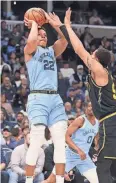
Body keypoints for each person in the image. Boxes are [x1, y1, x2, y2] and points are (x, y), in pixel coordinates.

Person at [63, 8, 116, 183]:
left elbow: (79, 49)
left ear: (96, 58)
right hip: (115, 121)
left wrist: (67, 26)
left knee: (102, 166)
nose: (90, 55)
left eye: (92, 54)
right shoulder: (100, 73)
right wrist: (60, 26)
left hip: (109, 121)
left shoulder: (100, 70)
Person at [24, 11, 68, 183]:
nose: (42, 37)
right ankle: (28, 181)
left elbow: (64, 40)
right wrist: (35, 24)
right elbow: (31, 41)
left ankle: (59, 181)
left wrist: (55, 25)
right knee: (37, 138)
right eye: (39, 35)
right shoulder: (29, 51)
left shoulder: (50, 51)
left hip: (54, 99)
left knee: (59, 140)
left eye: (44, 35)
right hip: (38, 98)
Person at [44, 102, 99, 183]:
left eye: (92, 106)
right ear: (86, 108)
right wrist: (78, 150)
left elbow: (96, 137)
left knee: (97, 180)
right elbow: (66, 136)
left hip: (84, 158)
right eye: (89, 106)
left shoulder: (97, 122)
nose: (90, 108)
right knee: (51, 180)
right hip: (70, 155)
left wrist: (97, 148)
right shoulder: (80, 120)